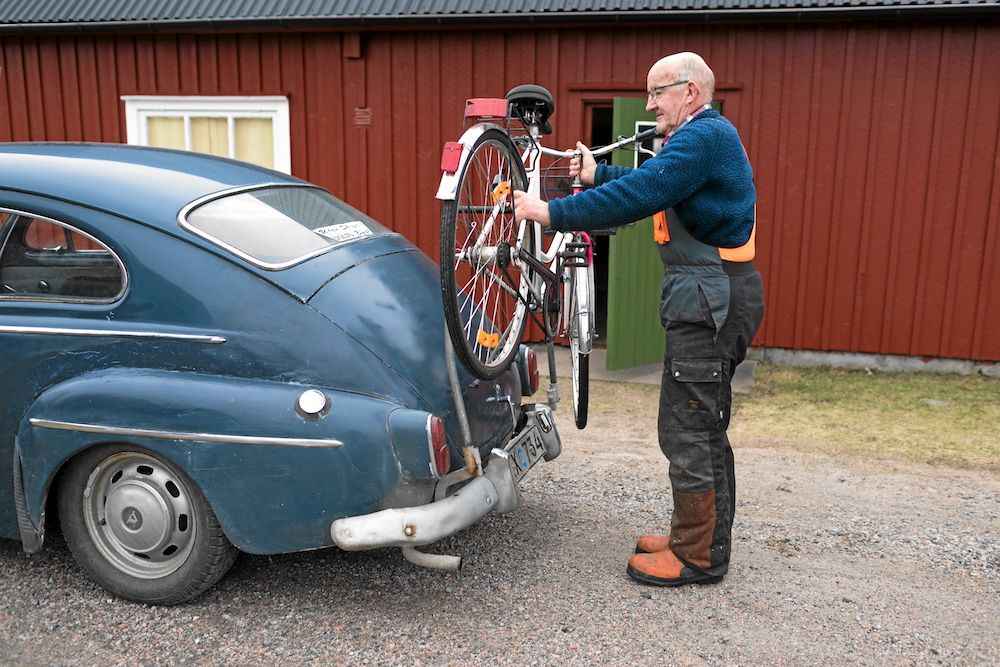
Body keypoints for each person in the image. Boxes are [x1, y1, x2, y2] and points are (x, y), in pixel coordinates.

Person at [513, 52, 765, 587]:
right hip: (708, 294)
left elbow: (644, 193)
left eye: (657, 93)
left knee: (690, 427)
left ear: (691, 92)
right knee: (699, 424)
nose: (649, 104)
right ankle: (694, 537)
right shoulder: (699, 140)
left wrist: (549, 212)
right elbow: (660, 185)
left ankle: (697, 557)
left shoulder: (703, 137)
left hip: (710, 298)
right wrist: (598, 173)